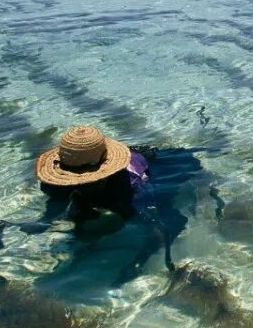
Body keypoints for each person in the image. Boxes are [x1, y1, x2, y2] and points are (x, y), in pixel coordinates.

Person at [33, 125, 200, 294]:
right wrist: (44, 222)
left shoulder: (132, 185)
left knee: (153, 213)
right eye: (72, 180)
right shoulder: (55, 182)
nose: (78, 185)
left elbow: (159, 229)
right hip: (103, 164)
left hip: (159, 164)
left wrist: (136, 265)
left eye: (86, 181)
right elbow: (54, 209)